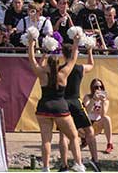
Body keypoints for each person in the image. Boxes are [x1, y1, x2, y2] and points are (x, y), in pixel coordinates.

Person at [28, 32, 85, 172]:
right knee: (73, 136)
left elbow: (32, 59)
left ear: (47, 64)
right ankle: (78, 164)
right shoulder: (63, 73)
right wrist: (76, 43)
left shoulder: (41, 74)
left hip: (44, 107)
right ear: (58, 64)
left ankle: (46, 167)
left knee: (46, 140)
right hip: (60, 108)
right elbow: (73, 58)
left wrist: (31, 44)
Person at [58, 42, 99, 171]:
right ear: (75, 53)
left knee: (63, 135)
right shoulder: (79, 68)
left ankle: (64, 165)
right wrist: (90, 50)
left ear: (63, 54)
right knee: (89, 131)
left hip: (63, 102)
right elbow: (91, 65)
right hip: (75, 102)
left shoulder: (60, 69)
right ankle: (95, 160)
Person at [83, 79, 113, 154]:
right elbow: (87, 111)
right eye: (96, 87)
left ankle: (110, 144)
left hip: (97, 124)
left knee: (107, 118)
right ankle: (84, 139)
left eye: (101, 87)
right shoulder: (87, 97)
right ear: (92, 88)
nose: (99, 89)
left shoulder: (106, 101)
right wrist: (93, 99)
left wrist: (102, 102)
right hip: (86, 124)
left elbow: (103, 115)